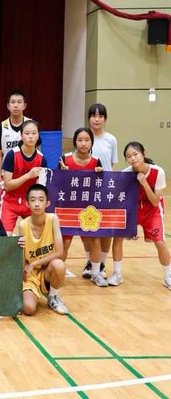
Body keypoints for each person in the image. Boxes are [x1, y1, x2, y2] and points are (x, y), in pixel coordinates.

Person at [117, 142, 171, 289]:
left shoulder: (158, 172)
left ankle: (168, 276)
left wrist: (144, 182)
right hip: (134, 210)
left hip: (152, 211)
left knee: (160, 242)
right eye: (129, 156)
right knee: (118, 238)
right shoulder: (125, 174)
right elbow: (123, 199)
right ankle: (116, 273)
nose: (133, 158)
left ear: (143, 153)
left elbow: (155, 201)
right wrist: (131, 227)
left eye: (135, 154)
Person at [57, 127, 107, 287]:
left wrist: (101, 174)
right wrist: (63, 174)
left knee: (94, 240)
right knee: (64, 243)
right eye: (80, 140)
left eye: (87, 140)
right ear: (75, 142)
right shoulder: (64, 159)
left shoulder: (96, 161)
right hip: (68, 208)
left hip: (88, 209)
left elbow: (100, 186)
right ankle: (56, 274)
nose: (83, 143)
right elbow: (56, 184)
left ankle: (96, 273)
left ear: (91, 142)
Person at [15, 184, 69, 315]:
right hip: (31, 273)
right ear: (27, 203)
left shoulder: (53, 219)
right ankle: (26, 293)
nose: (37, 204)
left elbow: (59, 252)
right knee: (29, 309)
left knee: (59, 264)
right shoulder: (23, 225)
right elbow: (23, 260)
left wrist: (34, 263)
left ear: (47, 203)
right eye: (33, 200)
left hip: (46, 270)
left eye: (41, 199)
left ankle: (53, 297)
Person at [88, 103, 119, 279]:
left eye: (100, 116)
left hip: (106, 189)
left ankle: (102, 264)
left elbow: (112, 166)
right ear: (89, 118)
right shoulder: (84, 137)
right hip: (88, 189)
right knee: (89, 228)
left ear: (105, 119)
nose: (97, 119)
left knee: (106, 228)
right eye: (93, 115)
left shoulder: (111, 140)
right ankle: (90, 262)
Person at [0, 120, 47, 234]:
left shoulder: (42, 159)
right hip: (10, 200)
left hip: (30, 202)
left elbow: (41, 188)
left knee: (37, 235)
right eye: (27, 133)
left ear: (38, 136)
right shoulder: (12, 155)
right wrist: (28, 175)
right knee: (4, 237)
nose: (30, 136)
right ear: (21, 135)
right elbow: (7, 186)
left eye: (34, 133)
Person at [0, 90, 37, 205]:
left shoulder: (31, 124)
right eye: (13, 102)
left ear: (24, 105)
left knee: (30, 205)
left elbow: (38, 151)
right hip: (7, 174)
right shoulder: (2, 126)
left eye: (19, 102)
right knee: (0, 205)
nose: (16, 105)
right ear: (8, 106)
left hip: (27, 173)